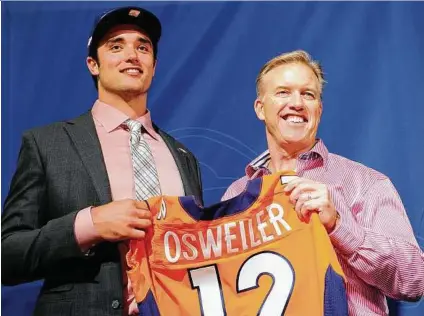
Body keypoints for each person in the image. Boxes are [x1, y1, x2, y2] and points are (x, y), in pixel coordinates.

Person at [1, 6, 203, 316]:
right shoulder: (48, 144)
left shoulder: (184, 157)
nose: (132, 55)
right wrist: (89, 224)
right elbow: (7, 256)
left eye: (143, 47)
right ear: (93, 64)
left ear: (154, 65)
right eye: (116, 45)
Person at [222, 50, 424, 315]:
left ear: (319, 109)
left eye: (308, 94)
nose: (297, 103)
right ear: (260, 108)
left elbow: (414, 280)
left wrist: (339, 226)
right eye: (283, 92)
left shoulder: (366, 183)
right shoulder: (236, 194)